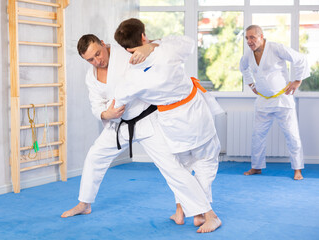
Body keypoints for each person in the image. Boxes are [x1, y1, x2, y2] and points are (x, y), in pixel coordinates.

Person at [61, 34, 213, 233]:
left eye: (98, 53)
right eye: (91, 59)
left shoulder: (125, 52)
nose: (98, 61)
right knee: (94, 156)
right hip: (118, 126)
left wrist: (151, 46)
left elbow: (164, 48)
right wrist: (106, 113)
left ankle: (205, 213)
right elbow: (96, 105)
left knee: (172, 167)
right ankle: (85, 203)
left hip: (147, 120)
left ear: (103, 43)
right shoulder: (91, 76)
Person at [114, 18, 223, 233]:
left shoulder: (130, 76)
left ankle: (181, 211)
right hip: (195, 114)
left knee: (181, 168)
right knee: (206, 160)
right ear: (143, 36)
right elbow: (189, 42)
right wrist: (153, 45)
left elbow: (118, 103)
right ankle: (206, 214)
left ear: (126, 48)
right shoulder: (167, 50)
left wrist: (105, 113)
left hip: (171, 122)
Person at [239, 25, 310, 180]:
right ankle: (256, 167)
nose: (249, 41)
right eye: (247, 38)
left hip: (282, 100)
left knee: (292, 135)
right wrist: (251, 84)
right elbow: (243, 68)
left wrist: (297, 81)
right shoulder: (248, 56)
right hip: (263, 101)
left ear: (261, 36)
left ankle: (297, 169)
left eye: (252, 37)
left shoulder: (276, 48)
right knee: (257, 135)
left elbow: (300, 59)